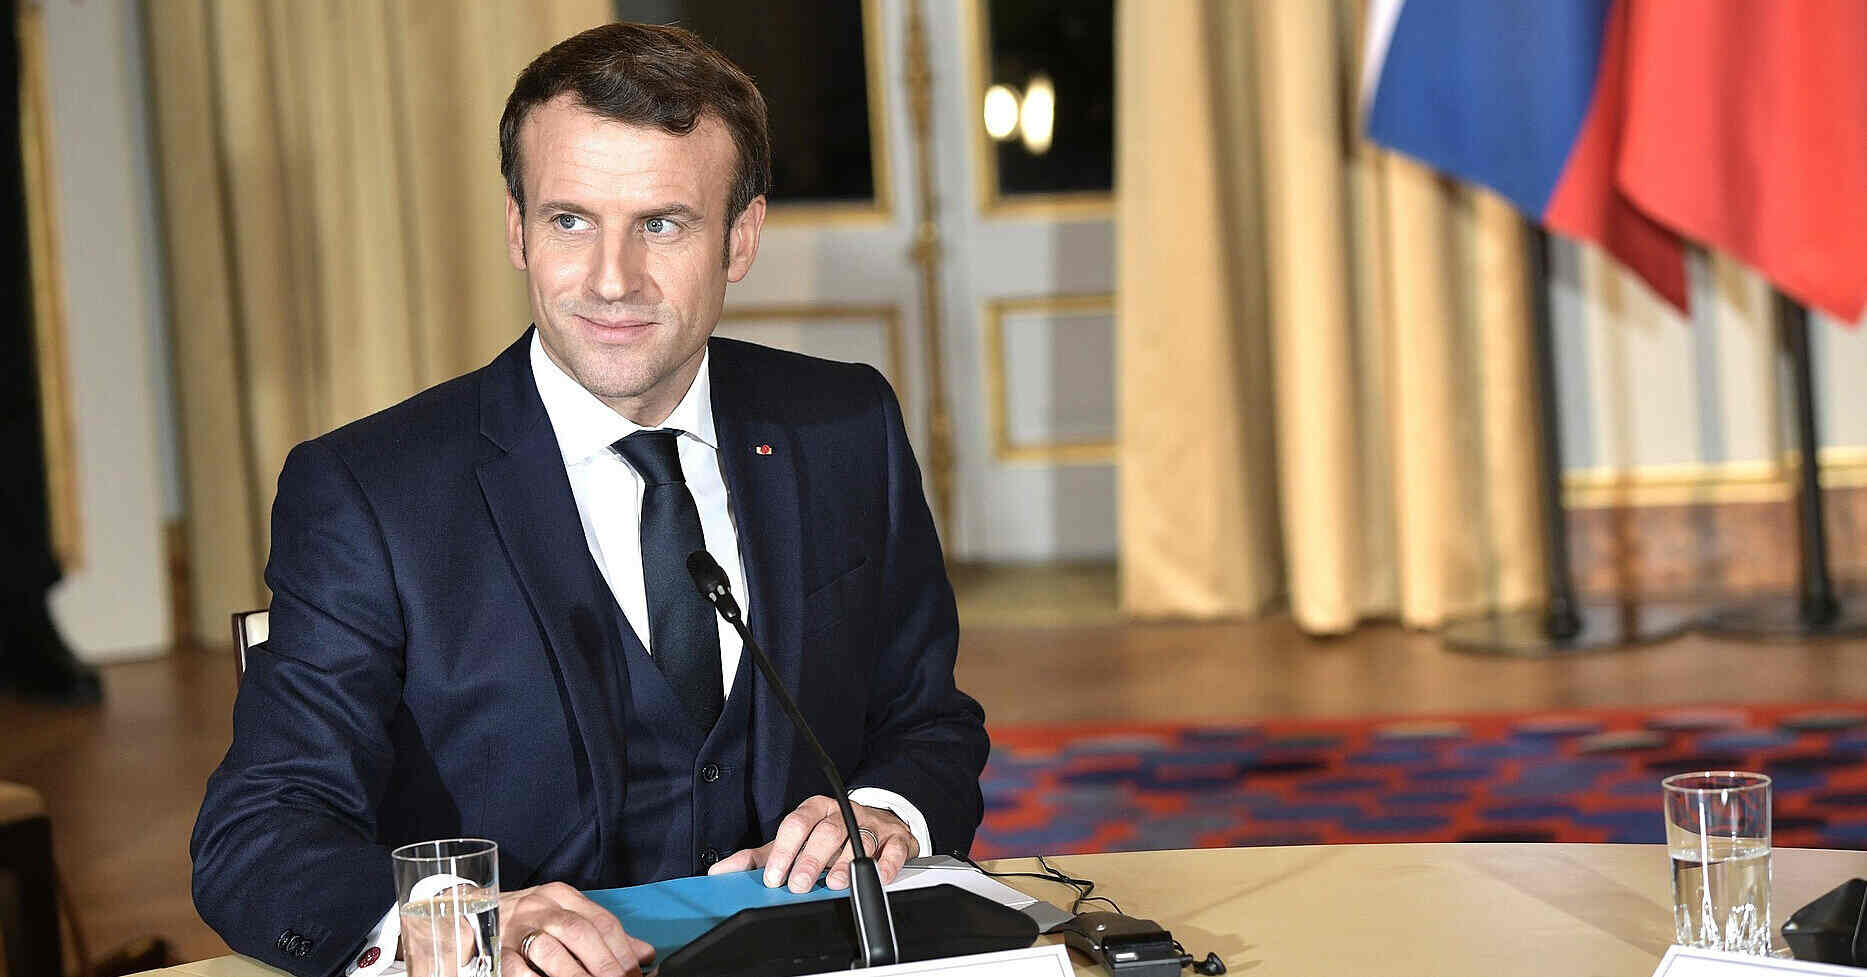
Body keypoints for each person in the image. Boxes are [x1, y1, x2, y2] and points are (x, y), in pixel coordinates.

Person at [190, 22, 988, 977]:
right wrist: (462, 922)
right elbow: (259, 832)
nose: (613, 280)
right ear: (516, 229)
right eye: (570, 221)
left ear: (740, 237)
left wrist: (886, 809)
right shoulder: (368, 491)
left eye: (662, 224)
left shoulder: (844, 425)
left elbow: (928, 722)